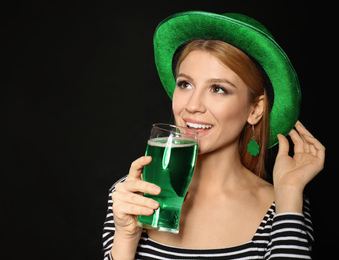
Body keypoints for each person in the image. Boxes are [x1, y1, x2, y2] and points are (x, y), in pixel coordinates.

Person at [102, 11, 325, 259]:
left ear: (255, 109)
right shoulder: (132, 194)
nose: (193, 105)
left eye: (218, 89)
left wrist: (291, 191)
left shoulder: (284, 204)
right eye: (185, 84)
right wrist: (126, 238)